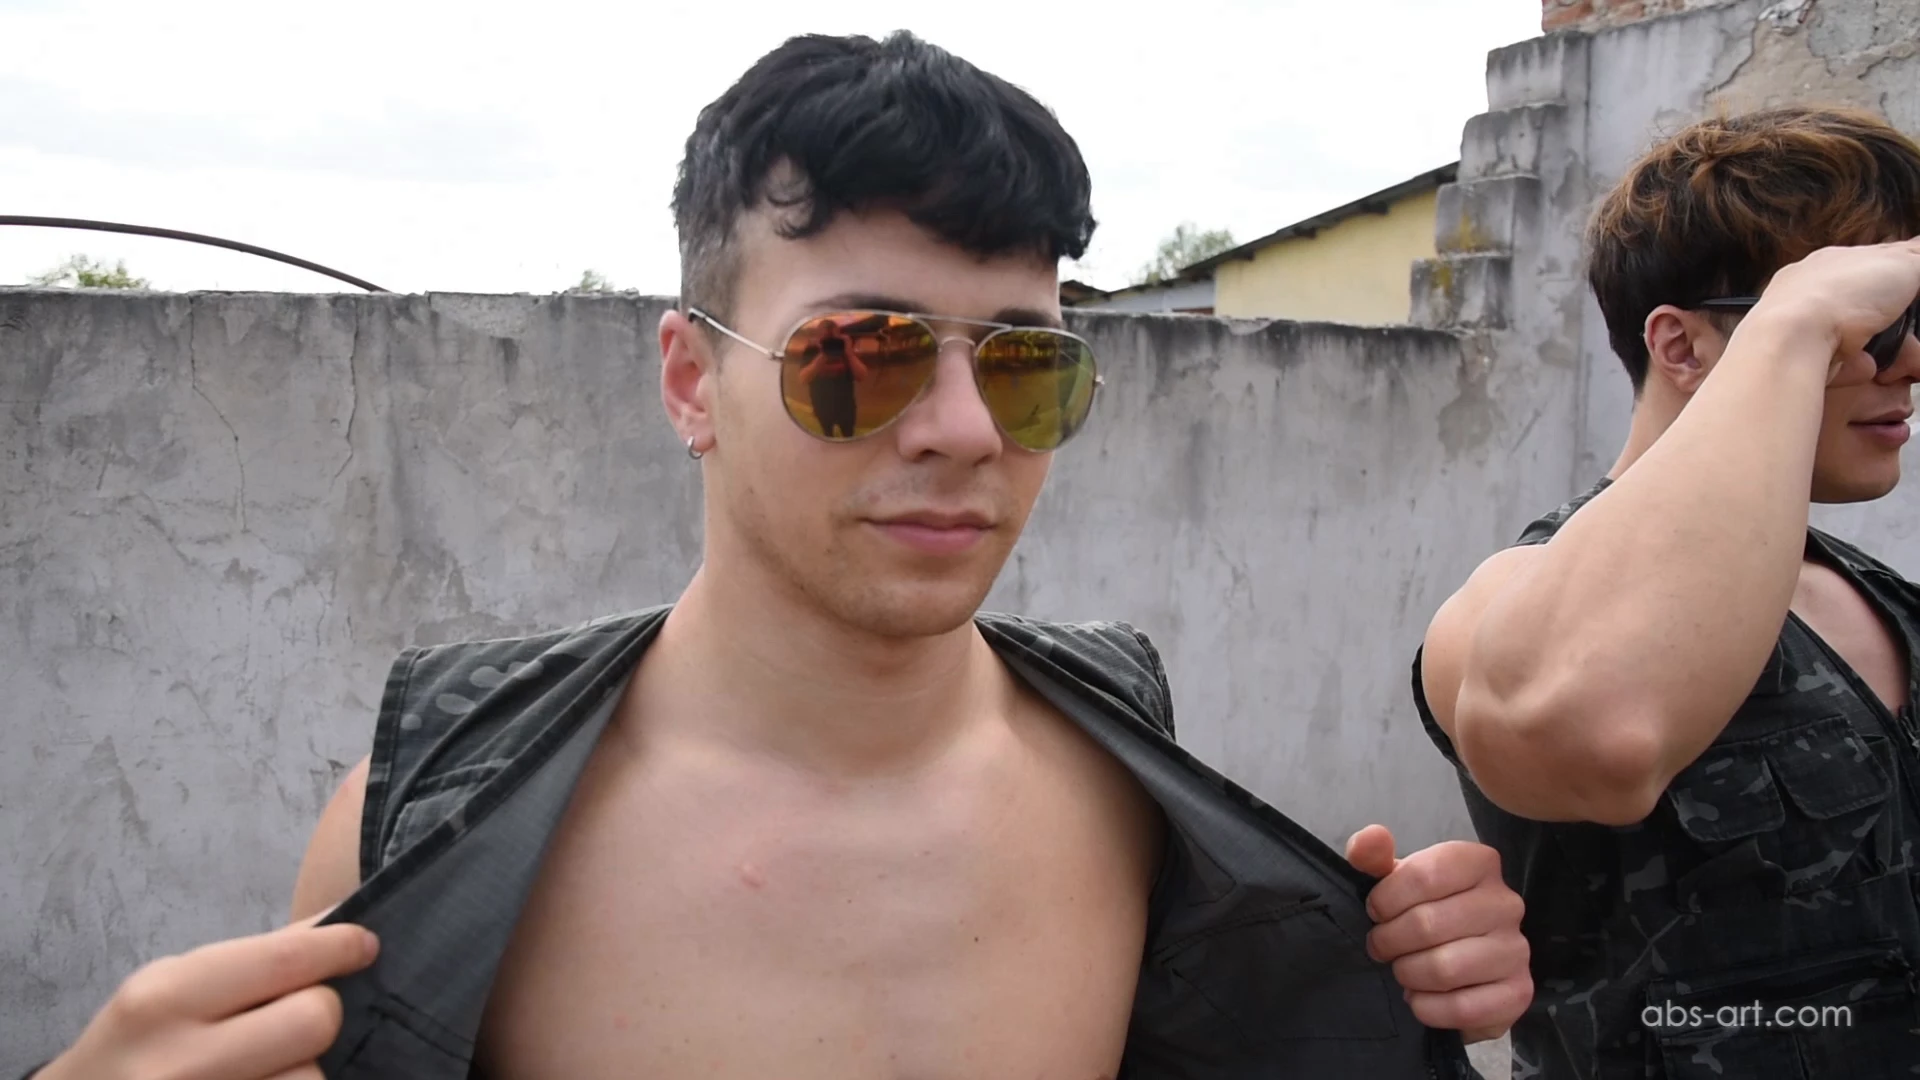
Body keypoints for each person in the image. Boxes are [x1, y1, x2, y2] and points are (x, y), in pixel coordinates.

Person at [33, 31, 1531, 1080]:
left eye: (1026, 364)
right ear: (692, 381)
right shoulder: (435, 818)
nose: (962, 431)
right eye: (860, 355)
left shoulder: (1130, 786)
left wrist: (1398, 971)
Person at [1413, 105, 1920, 1079]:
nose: (1909, 362)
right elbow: (1599, 727)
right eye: (1875, 325)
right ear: (1682, 348)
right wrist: (1800, 320)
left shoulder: (1887, 603)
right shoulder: (1522, 597)